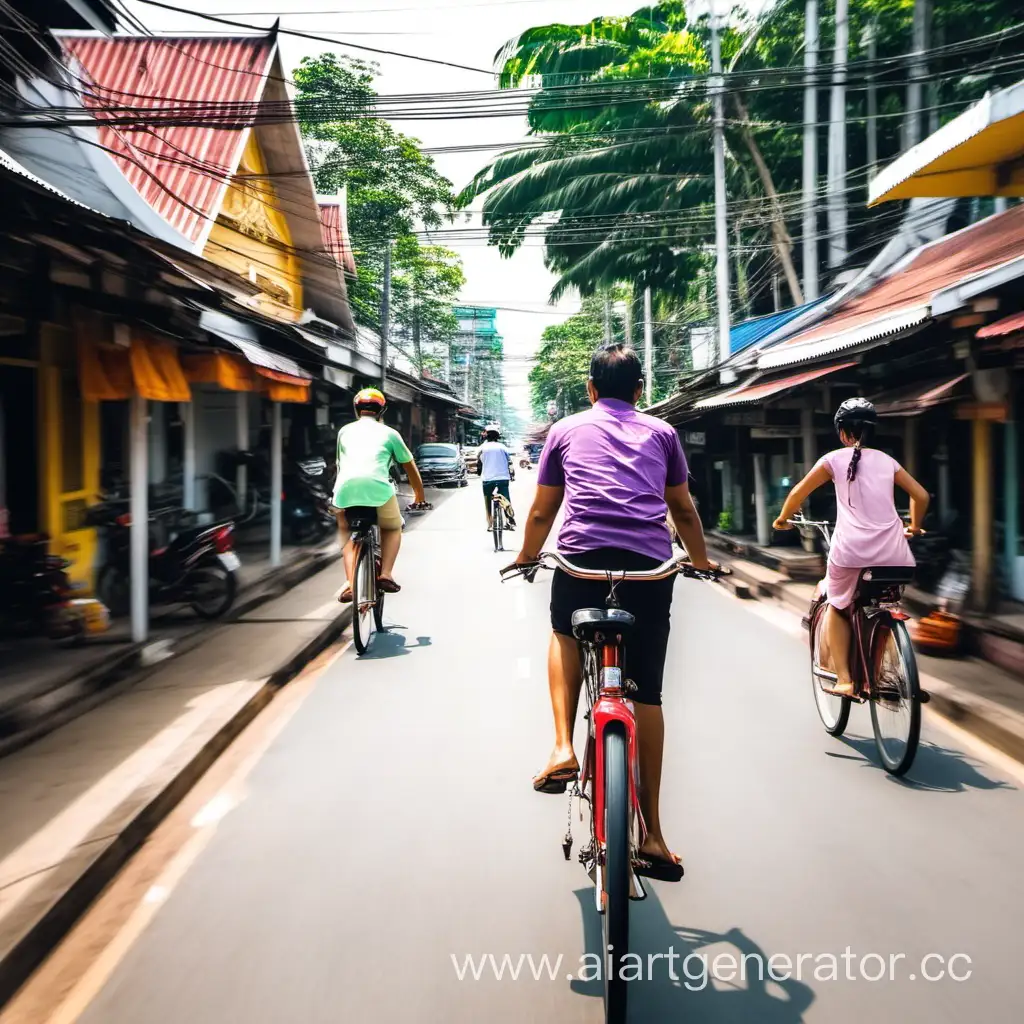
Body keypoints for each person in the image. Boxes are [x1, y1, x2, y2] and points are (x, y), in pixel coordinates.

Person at [512, 343, 713, 883]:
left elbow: (541, 509)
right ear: (642, 391)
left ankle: (560, 747)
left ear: (591, 389)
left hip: (579, 566)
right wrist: (702, 561)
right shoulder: (663, 433)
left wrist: (527, 557)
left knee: (563, 632)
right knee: (647, 693)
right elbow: (683, 509)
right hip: (648, 572)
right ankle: (654, 835)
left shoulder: (564, 431)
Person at [773, 397, 929, 696]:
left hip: (850, 552)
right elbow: (921, 496)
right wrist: (915, 526)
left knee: (837, 604)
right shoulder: (888, 461)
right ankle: (883, 668)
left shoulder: (833, 459)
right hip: (896, 554)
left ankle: (845, 679)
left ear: (843, 433)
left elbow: (797, 493)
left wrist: (782, 519)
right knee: (883, 604)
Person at [333, 388, 427, 602]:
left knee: (346, 534)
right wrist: (419, 496)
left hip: (345, 490)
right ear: (382, 410)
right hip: (379, 490)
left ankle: (350, 583)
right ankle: (385, 574)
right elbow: (409, 467)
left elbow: (340, 464)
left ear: (356, 409)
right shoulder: (390, 434)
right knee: (392, 527)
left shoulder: (344, 431)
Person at [477, 425, 516, 531]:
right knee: (505, 498)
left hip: (487, 479)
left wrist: (479, 473)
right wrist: (512, 475)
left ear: (486, 436)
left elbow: (479, 463)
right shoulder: (502, 447)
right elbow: (509, 462)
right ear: (498, 436)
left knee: (487, 500)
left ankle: (490, 523)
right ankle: (510, 520)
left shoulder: (482, 448)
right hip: (503, 478)